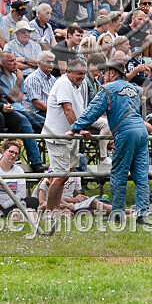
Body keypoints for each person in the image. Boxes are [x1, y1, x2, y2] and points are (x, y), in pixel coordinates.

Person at [70, 60, 152, 222]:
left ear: (112, 73)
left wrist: (75, 127)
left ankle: (117, 213)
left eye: (105, 72)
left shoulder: (107, 88)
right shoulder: (135, 89)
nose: (102, 75)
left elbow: (93, 111)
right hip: (141, 132)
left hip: (125, 132)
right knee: (141, 176)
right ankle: (143, 214)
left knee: (119, 174)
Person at [41, 58, 88, 212]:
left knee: (64, 175)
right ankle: (49, 210)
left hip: (69, 137)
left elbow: (77, 111)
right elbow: (67, 109)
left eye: (84, 74)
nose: (82, 77)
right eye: (79, 73)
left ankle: (55, 208)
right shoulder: (63, 84)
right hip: (59, 137)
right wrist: (80, 130)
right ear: (69, 72)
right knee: (60, 176)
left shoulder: (75, 85)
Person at [0, 51, 47, 172]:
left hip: (22, 108)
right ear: (2, 64)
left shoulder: (15, 76)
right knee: (25, 123)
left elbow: (19, 97)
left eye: (15, 60)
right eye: (11, 61)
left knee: (47, 124)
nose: (15, 63)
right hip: (9, 110)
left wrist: (16, 88)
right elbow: (10, 98)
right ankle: (36, 162)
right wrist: (19, 80)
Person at [0, 139, 38, 216]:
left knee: (33, 201)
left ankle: (2, 213)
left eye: (16, 154)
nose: (13, 155)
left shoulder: (19, 171)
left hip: (10, 204)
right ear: (3, 151)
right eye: (11, 152)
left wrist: (5, 205)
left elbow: (21, 194)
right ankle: (10, 213)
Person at [23, 51, 57, 118]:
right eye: (48, 62)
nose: (51, 64)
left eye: (52, 62)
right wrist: (54, 111)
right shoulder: (33, 78)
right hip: (37, 113)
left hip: (49, 110)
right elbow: (37, 104)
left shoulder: (53, 79)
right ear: (39, 63)